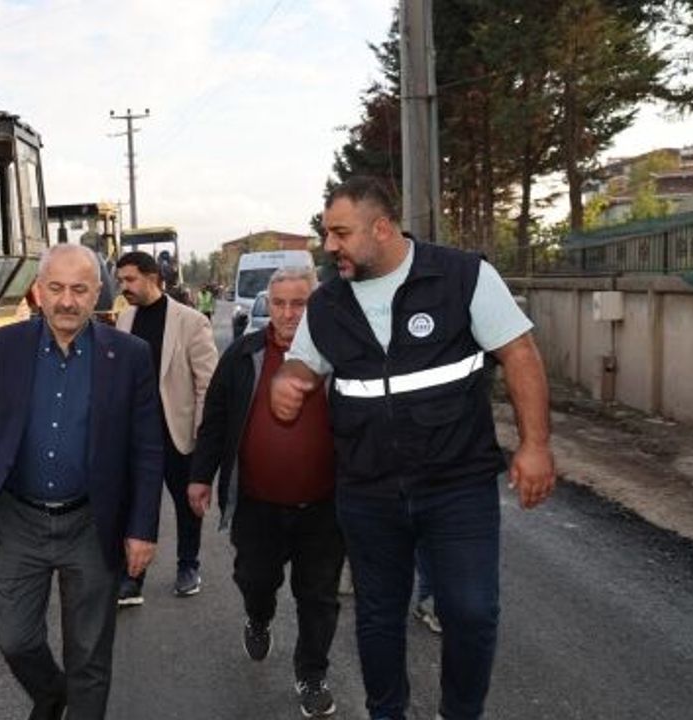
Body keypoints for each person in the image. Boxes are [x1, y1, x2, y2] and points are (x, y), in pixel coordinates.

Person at [270, 176, 556, 720]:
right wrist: (293, 377)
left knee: (471, 612)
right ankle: (387, 712)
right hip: (367, 492)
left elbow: (519, 353)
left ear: (381, 228)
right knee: (378, 616)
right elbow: (304, 360)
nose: (329, 245)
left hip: (457, 487)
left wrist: (535, 445)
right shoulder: (328, 303)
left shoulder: (462, 277)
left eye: (340, 233)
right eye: (326, 232)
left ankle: (461, 712)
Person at [0, 243, 165, 720]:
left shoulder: (129, 356)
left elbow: (147, 450)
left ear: (96, 295)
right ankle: (51, 695)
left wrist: (142, 528)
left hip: (92, 524)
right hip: (18, 521)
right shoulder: (6, 348)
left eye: (78, 289)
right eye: (56, 288)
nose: (67, 301)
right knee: (12, 636)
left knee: (89, 655)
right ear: (37, 292)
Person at [187, 265, 346, 718]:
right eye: (280, 303)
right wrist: (200, 476)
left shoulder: (341, 357)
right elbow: (215, 419)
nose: (289, 313)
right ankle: (259, 616)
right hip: (257, 506)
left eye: (300, 303)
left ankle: (312, 674)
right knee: (256, 580)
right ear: (268, 305)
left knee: (319, 596)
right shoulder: (242, 356)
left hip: (324, 508)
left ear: (315, 304)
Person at [114, 251, 218, 604]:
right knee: (136, 506)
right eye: (121, 280)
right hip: (136, 436)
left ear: (152, 277)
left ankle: (188, 566)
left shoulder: (189, 321)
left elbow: (208, 384)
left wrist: (203, 435)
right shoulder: (124, 320)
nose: (123, 286)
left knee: (188, 505)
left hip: (178, 432)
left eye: (129, 279)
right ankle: (133, 578)